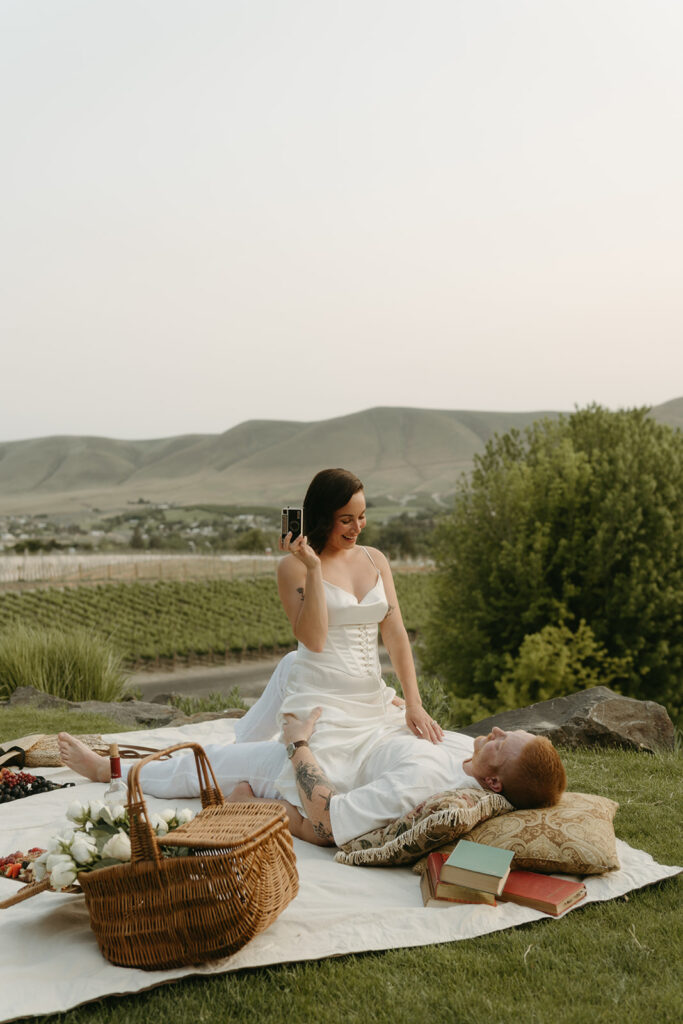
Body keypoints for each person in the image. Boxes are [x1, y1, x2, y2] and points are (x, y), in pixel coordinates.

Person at [234, 469, 443, 798]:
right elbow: (314, 640)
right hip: (322, 701)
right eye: (346, 519)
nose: (357, 527)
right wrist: (314, 568)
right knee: (332, 786)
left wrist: (413, 704)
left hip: (371, 698)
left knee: (428, 762)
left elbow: (395, 632)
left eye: (362, 517)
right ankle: (243, 790)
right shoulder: (293, 568)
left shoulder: (375, 559)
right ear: (322, 517)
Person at [57, 717, 566, 848]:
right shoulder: (466, 752)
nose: (495, 731)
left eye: (503, 741)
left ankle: (112, 771)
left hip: (318, 762)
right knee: (292, 667)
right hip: (355, 730)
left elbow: (326, 823)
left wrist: (297, 744)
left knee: (209, 760)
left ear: (494, 782)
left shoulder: (421, 783)